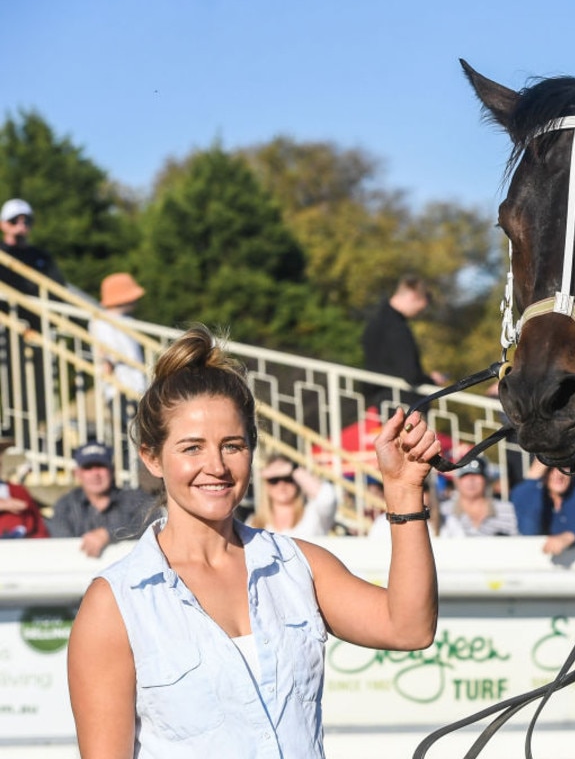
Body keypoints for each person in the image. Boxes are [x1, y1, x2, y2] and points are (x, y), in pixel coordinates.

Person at [66, 324, 441, 757]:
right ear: (152, 456)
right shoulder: (116, 603)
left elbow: (409, 628)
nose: (216, 466)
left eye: (232, 445)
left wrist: (403, 490)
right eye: (191, 448)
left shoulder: (298, 564)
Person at [0, 198, 65, 440]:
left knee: (41, 382)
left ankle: (38, 429)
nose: (21, 224)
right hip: (9, 327)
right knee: (12, 381)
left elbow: (59, 289)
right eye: (14, 220)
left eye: (26, 219)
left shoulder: (41, 257)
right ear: (3, 224)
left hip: (39, 327)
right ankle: (17, 430)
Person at [48, 441, 157, 557]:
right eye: (88, 468)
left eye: (101, 466)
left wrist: (109, 533)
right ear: (77, 473)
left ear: (112, 470)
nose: (95, 474)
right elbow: (61, 546)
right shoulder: (65, 506)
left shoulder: (136, 500)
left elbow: (154, 526)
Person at [361, 274, 446, 408]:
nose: (420, 310)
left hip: (376, 401)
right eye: (422, 304)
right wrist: (431, 380)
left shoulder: (375, 321)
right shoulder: (397, 328)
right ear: (413, 295)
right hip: (399, 405)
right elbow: (410, 374)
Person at [89, 272, 147, 419]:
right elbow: (108, 352)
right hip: (119, 386)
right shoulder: (101, 322)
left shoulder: (127, 321)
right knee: (128, 429)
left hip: (136, 385)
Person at [511, 465, 575, 555]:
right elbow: (528, 531)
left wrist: (569, 537)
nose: (559, 474)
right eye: (550, 468)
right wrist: (533, 479)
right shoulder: (530, 492)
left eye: (564, 466)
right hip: (537, 563)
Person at [247, 453, 339, 537]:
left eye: (288, 478)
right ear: (266, 485)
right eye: (274, 480)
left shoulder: (313, 515)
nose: (281, 484)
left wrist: (293, 469)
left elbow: (328, 497)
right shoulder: (253, 523)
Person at [439, 456, 518, 537]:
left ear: (486, 479)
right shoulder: (443, 511)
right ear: (457, 481)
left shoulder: (506, 510)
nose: (471, 480)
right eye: (465, 475)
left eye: (476, 475)